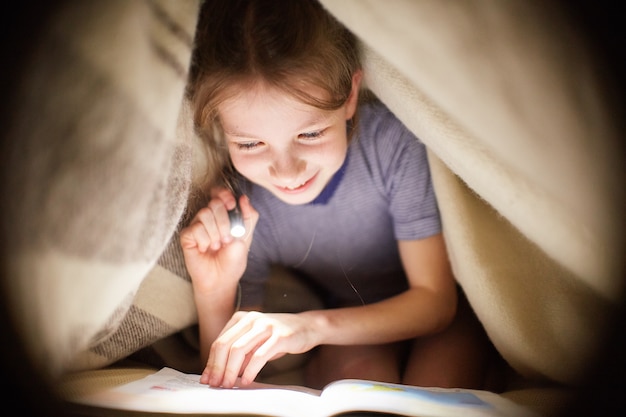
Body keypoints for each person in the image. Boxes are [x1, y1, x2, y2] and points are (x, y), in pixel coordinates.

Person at [181, 0, 500, 391]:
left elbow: (436, 301)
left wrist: (309, 326)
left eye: (310, 134)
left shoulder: (391, 147)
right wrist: (214, 292)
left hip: (438, 316)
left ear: (350, 96)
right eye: (249, 144)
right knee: (359, 387)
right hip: (349, 321)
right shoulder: (246, 211)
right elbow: (227, 371)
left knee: (436, 386)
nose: (286, 171)